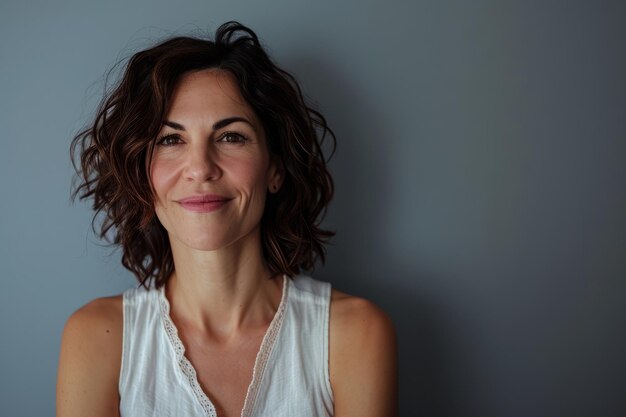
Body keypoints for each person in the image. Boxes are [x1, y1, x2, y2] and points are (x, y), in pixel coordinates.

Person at [57, 21, 397, 417]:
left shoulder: (355, 334)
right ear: (142, 178)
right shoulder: (97, 337)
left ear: (275, 168)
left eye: (230, 136)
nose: (200, 168)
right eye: (171, 140)